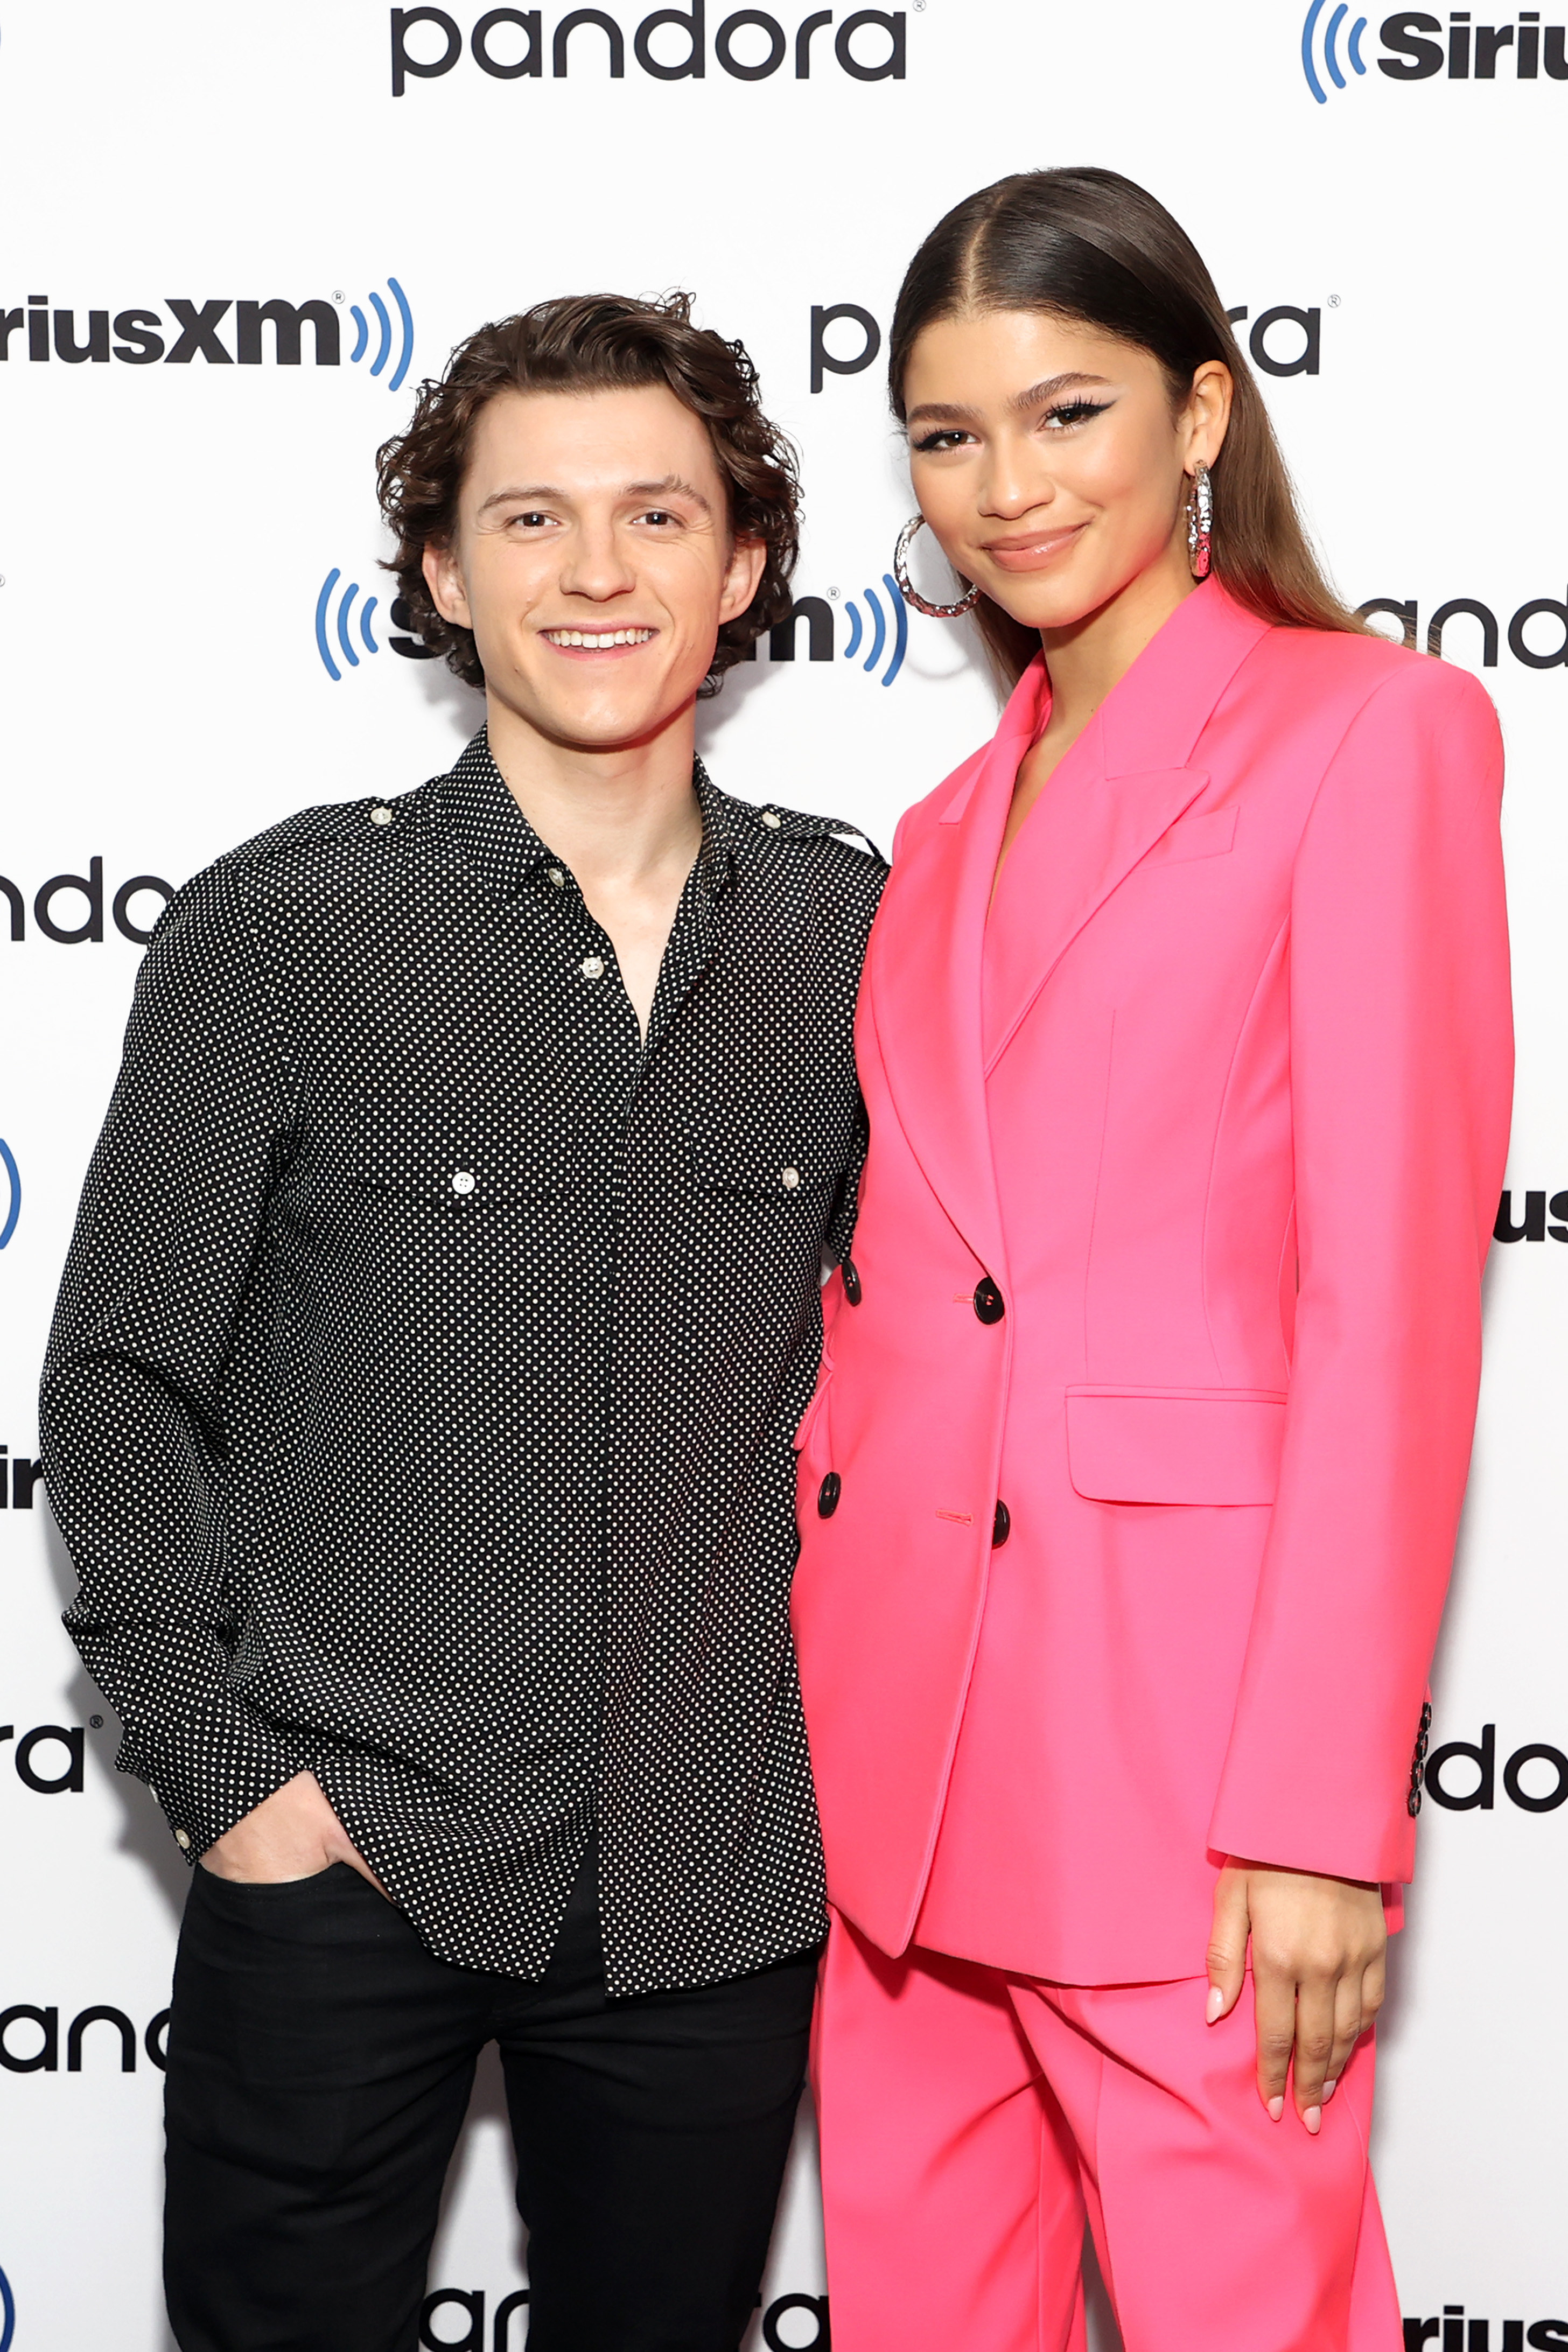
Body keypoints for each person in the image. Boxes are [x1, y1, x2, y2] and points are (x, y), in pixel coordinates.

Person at [40, 291, 884, 2352]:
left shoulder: (858, 941)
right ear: (440, 570)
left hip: (724, 1867)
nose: (598, 571)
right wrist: (232, 1777)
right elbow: (124, 1375)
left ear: (743, 564)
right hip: (347, 1846)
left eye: (656, 517)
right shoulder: (286, 919)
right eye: (531, 519)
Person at [790, 169, 1512, 2352]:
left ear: (1200, 412)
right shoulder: (933, 827)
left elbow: (1384, 1311)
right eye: (943, 435)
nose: (1002, 488)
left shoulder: (1363, 731)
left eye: (1065, 411)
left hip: (1179, 1769)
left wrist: (1315, 1818)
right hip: (887, 1776)